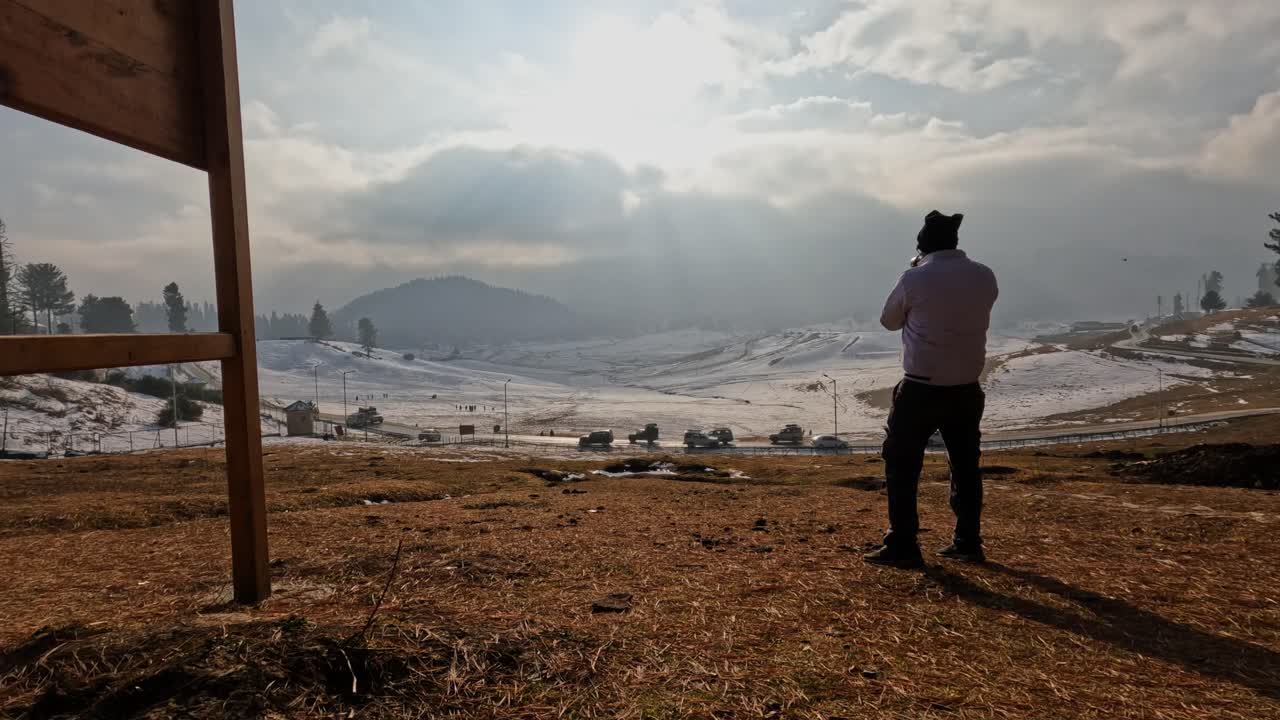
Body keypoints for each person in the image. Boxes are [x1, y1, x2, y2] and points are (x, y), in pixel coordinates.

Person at [864, 210, 998, 569]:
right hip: (967, 389)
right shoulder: (984, 275)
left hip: (921, 388)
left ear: (923, 245)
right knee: (966, 466)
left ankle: (904, 543)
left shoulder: (914, 278)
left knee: (902, 466)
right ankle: (968, 542)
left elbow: (889, 321)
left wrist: (916, 270)